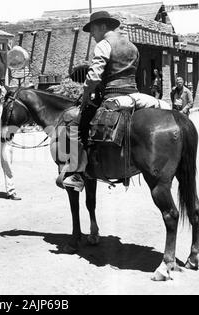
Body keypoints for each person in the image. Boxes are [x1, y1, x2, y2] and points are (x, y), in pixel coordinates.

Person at [64, 11, 140, 191]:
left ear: (103, 26)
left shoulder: (104, 45)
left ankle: (76, 174)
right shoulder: (133, 47)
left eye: (93, 30)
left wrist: (85, 94)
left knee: (72, 123)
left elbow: (94, 77)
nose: (92, 35)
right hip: (134, 96)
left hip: (112, 96)